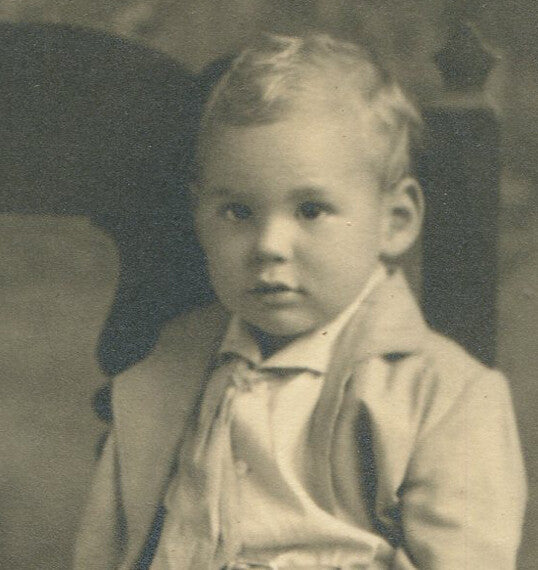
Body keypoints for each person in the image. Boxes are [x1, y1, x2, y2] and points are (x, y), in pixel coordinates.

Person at [74, 33, 526, 569]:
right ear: (199, 217)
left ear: (395, 221)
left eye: (310, 210)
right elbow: (103, 552)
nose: (268, 245)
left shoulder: (442, 397)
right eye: (237, 211)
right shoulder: (166, 372)